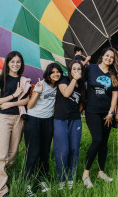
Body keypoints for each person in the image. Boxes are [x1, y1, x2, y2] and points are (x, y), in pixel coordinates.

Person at [81, 47, 118, 188]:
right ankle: (86, 174)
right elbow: (79, 80)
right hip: (92, 111)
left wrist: (111, 112)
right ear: (102, 56)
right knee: (97, 139)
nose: (109, 58)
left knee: (104, 142)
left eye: (112, 57)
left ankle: (101, 172)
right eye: (107, 55)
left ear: (113, 60)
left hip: (107, 113)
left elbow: (115, 95)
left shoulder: (113, 74)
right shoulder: (91, 69)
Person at [0, 51, 31, 197]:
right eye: (13, 61)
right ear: (8, 63)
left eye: (18, 62)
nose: (15, 64)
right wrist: (14, 95)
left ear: (21, 64)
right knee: (1, 155)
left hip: (19, 119)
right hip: (4, 119)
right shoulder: (1, 80)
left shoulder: (24, 80)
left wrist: (10, 103)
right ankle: (1, 190)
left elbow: (26, 101)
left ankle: (1, 176)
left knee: (12, 154)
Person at [24, 63, 62, 196]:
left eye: (58, 72)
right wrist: (37, 92)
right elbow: (30, 105)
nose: (56, 74)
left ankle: (42, 180)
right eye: (53, 72)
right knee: (33, 153)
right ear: (48, 74)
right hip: (33, 120)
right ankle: (27, 184)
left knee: (45, 153)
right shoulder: (41, 85)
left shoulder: (59, 87)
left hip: (48, 121)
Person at [53, 60, 85, 189]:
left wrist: (75, 114)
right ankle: (61, 178)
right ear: (70, 71)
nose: (76, 71)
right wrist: (74, 80)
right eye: (74, 69)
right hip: (60, 119)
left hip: (75, 120)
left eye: (79, 69)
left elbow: (82, 104)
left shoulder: (83, 86)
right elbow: (66, 93)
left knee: (74, 150)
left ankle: (71, 178)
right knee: (63, 150)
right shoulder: (64, 80)